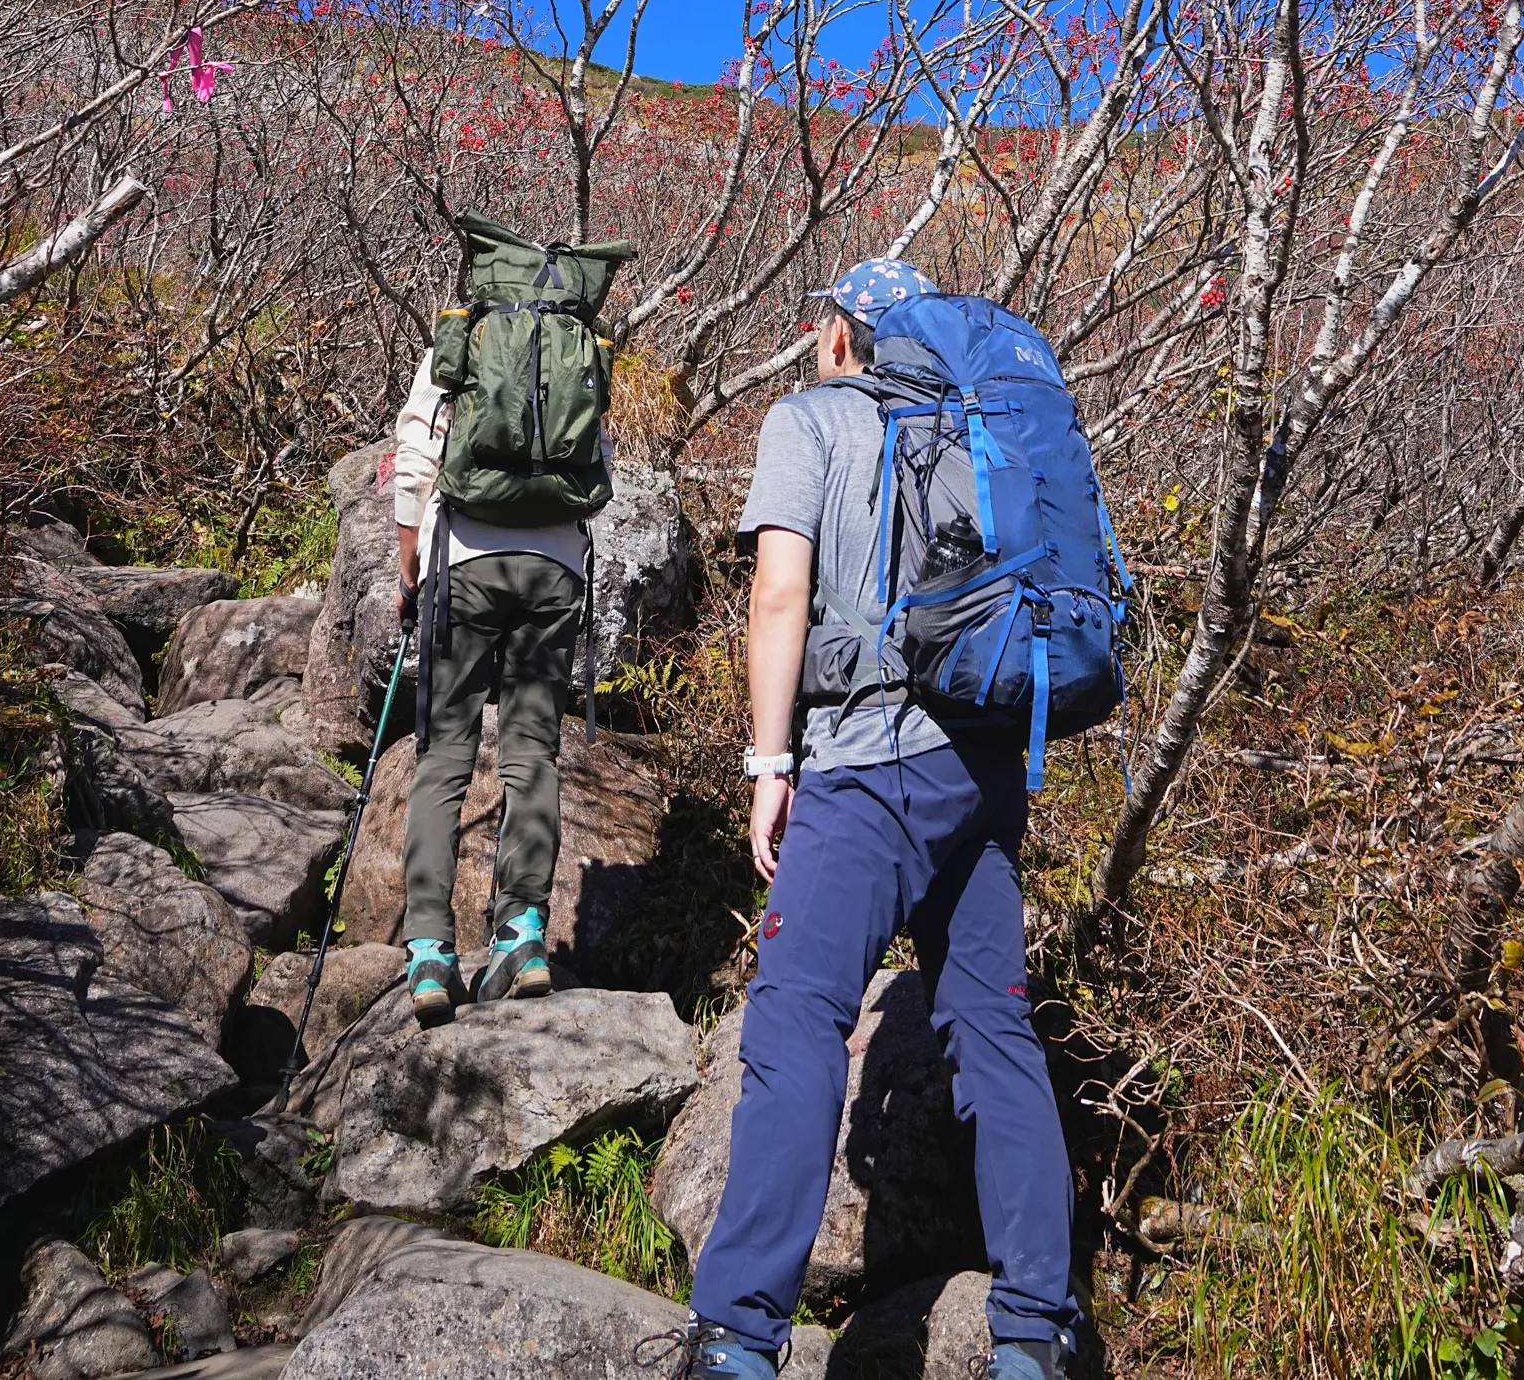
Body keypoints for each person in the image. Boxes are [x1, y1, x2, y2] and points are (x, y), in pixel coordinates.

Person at [677, 259, 1081, 1380]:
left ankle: (739, 1336)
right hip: (985, 769)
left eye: (822, 326)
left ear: (842, 335)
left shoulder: (809, 422)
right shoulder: (976, 429)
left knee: (797, 1019)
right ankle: (1036, 1332)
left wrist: (768, 764)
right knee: (995, 1030)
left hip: (867, 768)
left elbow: (779, 597)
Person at [391, 340, 588, 1021]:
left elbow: (417, 455)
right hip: (559, 564)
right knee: (533, 752)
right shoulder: (575, 343)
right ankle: (522, 937)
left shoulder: (461, 338)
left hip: (467, 563)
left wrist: (408, 566)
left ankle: (428, 952)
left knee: (445, 753)